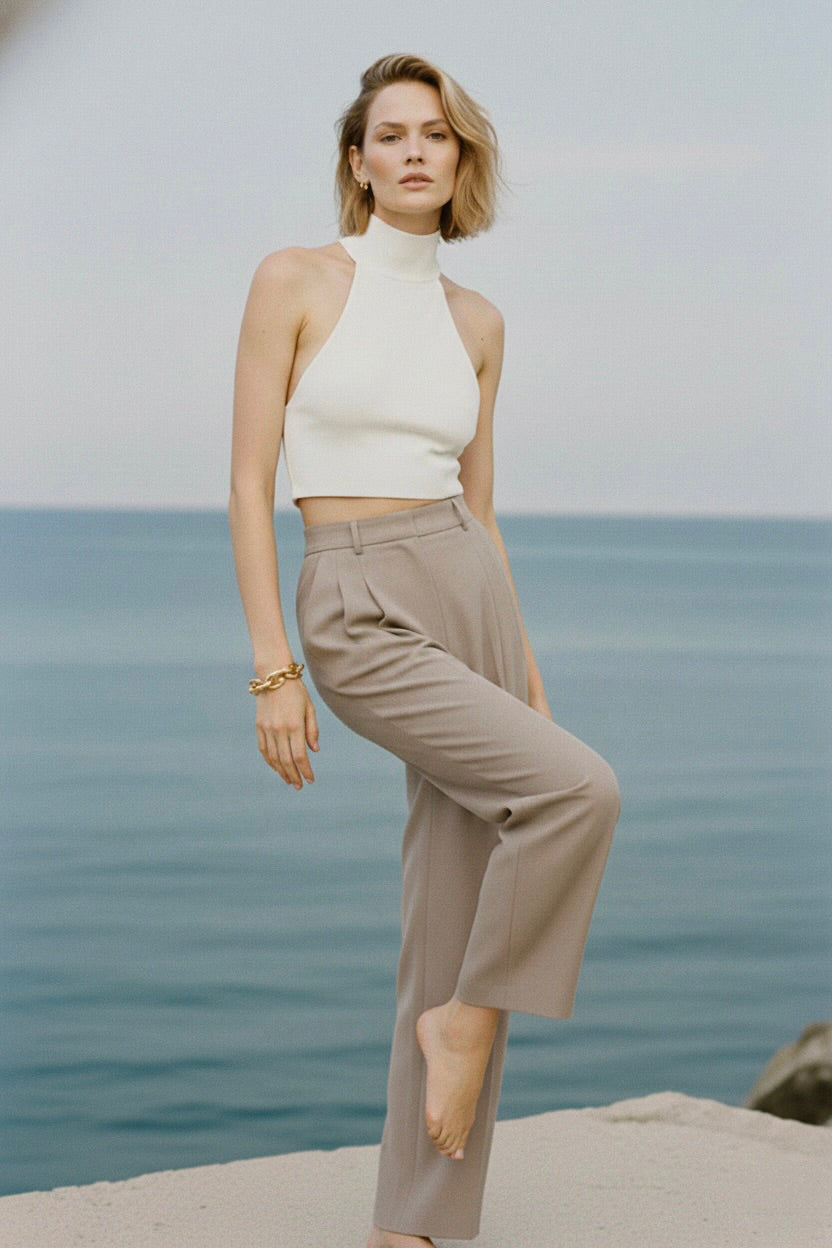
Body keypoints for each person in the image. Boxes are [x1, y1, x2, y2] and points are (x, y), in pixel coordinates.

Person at [228, 52, 621, 1248]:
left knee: (450, 919)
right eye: (390, 134)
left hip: (465, 579)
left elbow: (482, 511)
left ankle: (413, 1226)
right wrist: (273, 665)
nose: (413, 151)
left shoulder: (478, 320)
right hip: (351, 594)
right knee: (580, 794)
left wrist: (531, 679)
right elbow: (249, 482)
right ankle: (475, 1022)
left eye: (435, 136)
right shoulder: (295, 279)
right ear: (357, 163)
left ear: (460, 163)